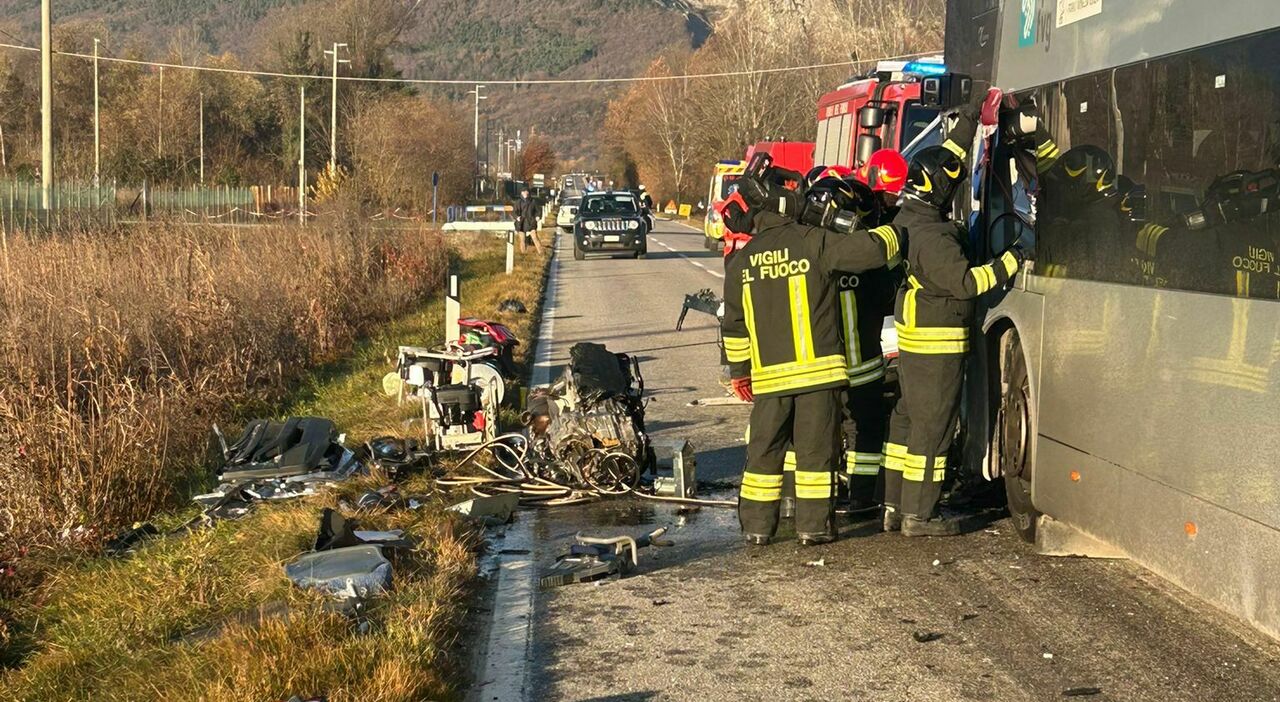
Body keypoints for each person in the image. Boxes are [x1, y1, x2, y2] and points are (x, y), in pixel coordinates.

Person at [721, 159, 905, 546]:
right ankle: (813, 528)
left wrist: (740, 372)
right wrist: (900, 230)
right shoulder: (813, 242)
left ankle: (756, 527)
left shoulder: (742, 261)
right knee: (815, 454)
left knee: (764, 455)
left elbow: (734, 325)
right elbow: (870, 250)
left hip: (769, 379)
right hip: (818, 376)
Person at [881, 112, 1028, 537]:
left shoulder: (910, 218)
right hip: (937, 346)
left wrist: (969, 120)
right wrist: (1010, 260)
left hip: (914, 343)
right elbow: (966, 283)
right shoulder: (936, 238)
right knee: (934, 430)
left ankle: (896, 506)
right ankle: (920, 517)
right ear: (941, 192)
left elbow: (942, 164)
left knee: (908, 422)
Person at [514, 188, 544, 254]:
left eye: (526, 192)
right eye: (523, 192)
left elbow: (539, 211)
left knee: (535, 237)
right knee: (522, 240)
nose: (525, 193)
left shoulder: (533, 201)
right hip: (521, 223)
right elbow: (514, 212)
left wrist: (538, 216)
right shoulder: (518, 202)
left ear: (528, 193)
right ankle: (523, 254)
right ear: (521, 193)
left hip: (531, 222)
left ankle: (541, 253)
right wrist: (517, 217)